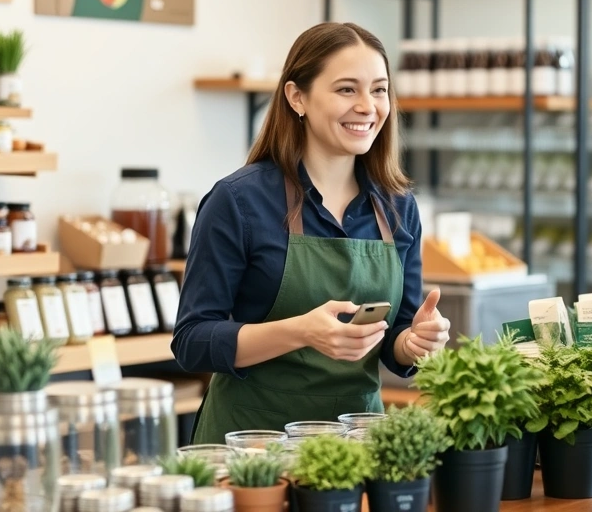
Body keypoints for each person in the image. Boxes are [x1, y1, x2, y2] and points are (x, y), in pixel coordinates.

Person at [172, 22, 451, 443]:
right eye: (346, 89)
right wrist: (301, 331)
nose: (367, 106)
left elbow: (396, 339)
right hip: (251, 446)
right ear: (296, 97)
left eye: (379, 90)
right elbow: (192, 341)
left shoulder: (397, 207)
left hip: (353, 444)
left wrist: (414, 342)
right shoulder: (238, 202)